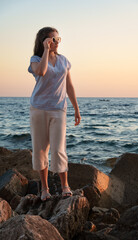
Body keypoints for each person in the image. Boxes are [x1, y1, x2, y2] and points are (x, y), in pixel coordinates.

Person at [28, 27, 81, 201]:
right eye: (53, 39)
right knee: (40, 150)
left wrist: (76, 108)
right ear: (45, 41)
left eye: (58, 38)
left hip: (58, 109)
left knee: (59, 149)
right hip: (39, 109)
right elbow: (41, 72)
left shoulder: (64, 61)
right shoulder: (36, 59)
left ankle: (65, 185)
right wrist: (45, 50)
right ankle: (44, 188)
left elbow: (69, 86)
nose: (57, 42)